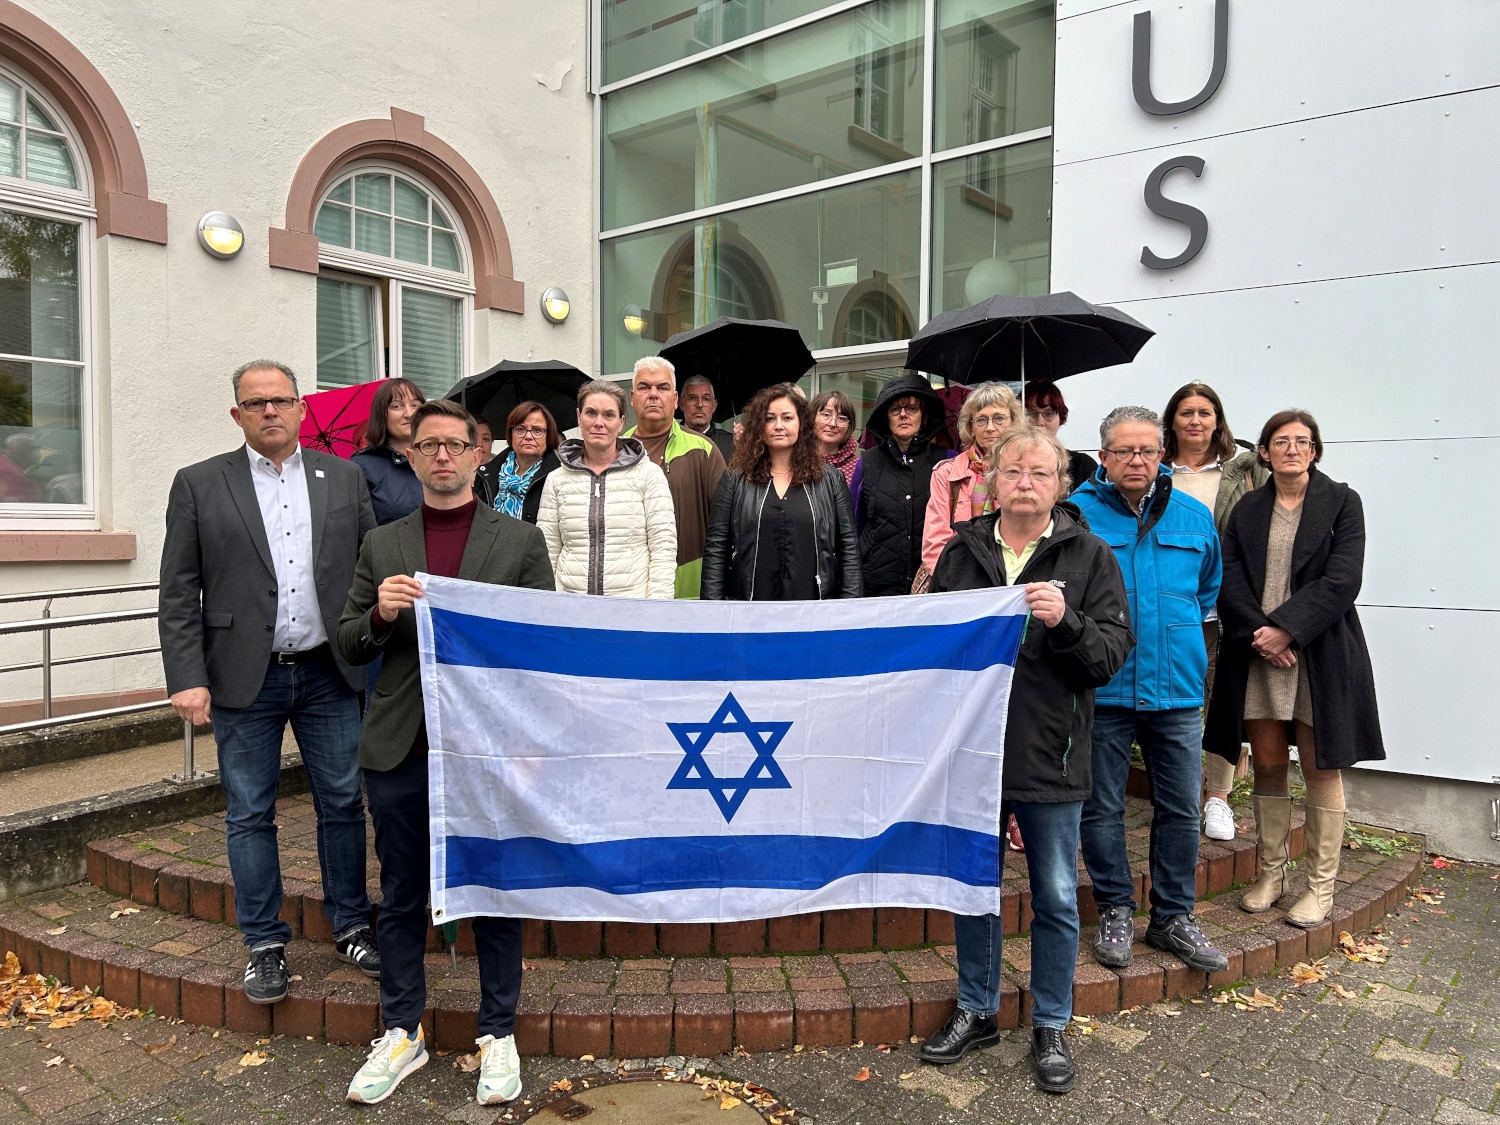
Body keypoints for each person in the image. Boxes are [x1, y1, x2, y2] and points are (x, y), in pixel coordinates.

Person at [338, 398, 554, 1106]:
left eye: (454, 445)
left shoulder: (518, 542)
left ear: (476, 453)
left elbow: (539, 649)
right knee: (401, 893)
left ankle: (498, 1031)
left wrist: (527, 746)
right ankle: (402, 1028)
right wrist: (380, 613)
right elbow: (348, 640)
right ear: (411, 455)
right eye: (426, 445)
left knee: (492, 889)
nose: (440, 456)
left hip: (487, 747)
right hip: (404, 743)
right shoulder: (384, 543)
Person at [158, 360, 379, 1006]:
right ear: (237, 414)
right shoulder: (200, 483)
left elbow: (368, 567)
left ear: (302, 407)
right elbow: (178, 590)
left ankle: (352, 923)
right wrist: (187, 677)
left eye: (280, 400)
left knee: (342, 800)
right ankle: (263, 942)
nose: (270, 412)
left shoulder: (344, 477)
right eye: (255, 403)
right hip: (240, 677)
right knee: (249, 811)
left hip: (328, 670)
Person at [924, 426, 1132, 1094]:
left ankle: (1049, 1021)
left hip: (1052, 751)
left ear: (1060, 484)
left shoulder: (1090, 555)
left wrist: (1065, 621)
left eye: (1040, 472)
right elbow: (927, 645)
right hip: (972, 755)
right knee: (973, 888)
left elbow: (1107, 655)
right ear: (992, 479)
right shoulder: (961, 552)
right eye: (1013, 469)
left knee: (1058, 894)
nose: (1025, 482)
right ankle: (977, 1008)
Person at [1208, 410, 1385, 928]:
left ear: (1315, 450)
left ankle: (1320, 887)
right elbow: (1231, 576)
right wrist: (1262, 635)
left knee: (1318, 765)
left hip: (1318, 653)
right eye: (1280, 441)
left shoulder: (1342, 502)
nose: (1291, 449)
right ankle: (1271, 874)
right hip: (1260, 652)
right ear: (1263, 452)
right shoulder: (1247, 510)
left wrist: (1287, 629)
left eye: (1301, 441)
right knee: (1266, 760)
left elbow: (1342, 580)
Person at [1070, 406, 1228, 976]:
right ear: (1104, 456)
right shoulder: (1076, 516)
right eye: (1124, 451)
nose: (1136, 460)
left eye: (1147, 450)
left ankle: (1172, 918)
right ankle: (1115, 909)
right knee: (1102, 807)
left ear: (1161, 454)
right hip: (1105, 687)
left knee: (1182, 808)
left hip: (1178, 689)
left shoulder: (1192, 515)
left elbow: (1207, 589)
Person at [1162, 382, 1270, 841]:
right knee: (1180, 703)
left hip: (1229, 607)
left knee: (1224, 703)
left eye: (1205, 413)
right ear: (1172, 421)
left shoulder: (1243, 474)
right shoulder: (1154, 469)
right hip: (1174, 607)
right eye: (1186, 412)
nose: (1195, 421)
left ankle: (1218, 798)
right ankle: (1183, 793)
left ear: (1218, 421)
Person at [700, 384, 862, 601]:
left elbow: (849, 549)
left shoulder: (830, 480)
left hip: (814, 611)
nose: (778, 426)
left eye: (787, 418)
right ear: (759, 426)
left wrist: (848, 608)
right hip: (750, 609)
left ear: (801, 423)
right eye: (769, 418)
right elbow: (716, 549)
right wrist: (713, 610)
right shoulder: (734, 480)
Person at [538, 379, 677, 598]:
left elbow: (663, 549)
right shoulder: (557, 479)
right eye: (591, 413)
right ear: (579, 417)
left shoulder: (649, 476)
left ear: (621, 422)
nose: (599, 422)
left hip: (630, 611)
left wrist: (656, 610)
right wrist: (550, 605)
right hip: (570, 609)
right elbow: (547, 550)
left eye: (609, 415)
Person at [623, 357, 727, 597]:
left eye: (662, 387)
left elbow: (725, 527)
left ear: (675, 399)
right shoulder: (618, 451)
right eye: (644, 387)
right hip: (630, 588)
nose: (653, 394)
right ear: (632, 398)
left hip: (691, 589)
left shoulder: (704, 450)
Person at [852, 372, 952, 596]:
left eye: (912, 408)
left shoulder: (947, 460)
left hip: (932, 586)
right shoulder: (867, 462)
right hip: (875, 588)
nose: (903, 415)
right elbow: (852, 529)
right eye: (895, 409)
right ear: (886, 417)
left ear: (923, 416)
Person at [920, 382, 1024, 579]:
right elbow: (935, 542)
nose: (990, 428)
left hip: (1013, 581)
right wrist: (954, 585)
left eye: (999, 418)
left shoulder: (1026, 469)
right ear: (971, 427)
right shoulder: (947, 473)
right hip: (959, 579)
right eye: (981, 420)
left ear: (1013, 422)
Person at [353, 378, 425, 525]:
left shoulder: (440, 458)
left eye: (415, 405)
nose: (409, 413)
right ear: (381, 414)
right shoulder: (361, 467)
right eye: (397, 406)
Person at [473, 401, 561, 522]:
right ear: (511, 434)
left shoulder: (559, 475)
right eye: (520, 429)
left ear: (548, 435)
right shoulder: (485, 474)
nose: (529, 436)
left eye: (537, 430)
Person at [1024, 380, 1098, 490]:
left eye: (1048, 413)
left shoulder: (1082, 466)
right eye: (1031, 414)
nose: (1040, 422)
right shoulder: (1006, 465)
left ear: (1060, 418)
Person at [810, 388, 860, 497]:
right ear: (811, 417)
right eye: (826, 415)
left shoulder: (859, 467)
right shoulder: (796, 461)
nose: (833, 423)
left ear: (849, 425)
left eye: (841, 418)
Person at [680, 373, 737, 461]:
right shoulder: (668, 441)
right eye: (692, 398)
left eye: (706, 399)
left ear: (714, 406)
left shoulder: (731, 443)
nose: (699, 404)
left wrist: (743, 449)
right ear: (681, 404)